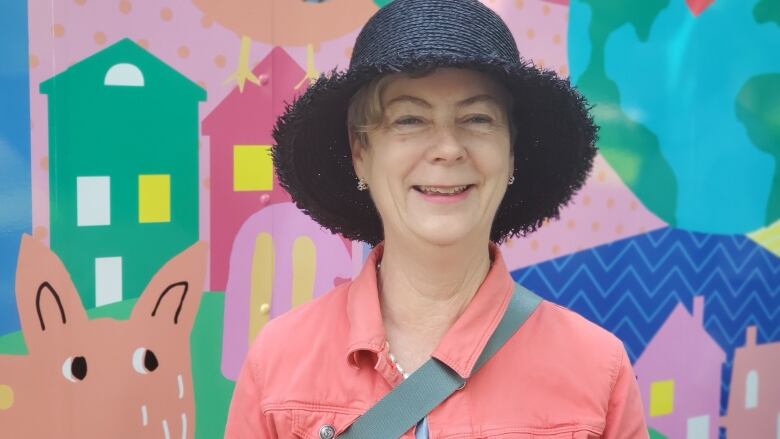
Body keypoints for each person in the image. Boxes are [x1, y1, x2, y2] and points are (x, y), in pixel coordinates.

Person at [225, 0, 649, 438]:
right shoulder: (278, 362)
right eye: (409, 119)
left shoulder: (598, 369)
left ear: (511, 152)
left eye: (477, 118)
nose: (448, 147)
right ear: (360, 152)